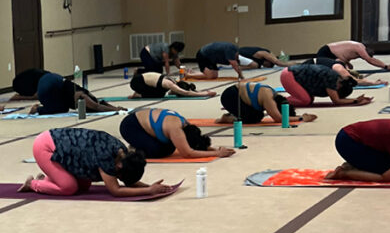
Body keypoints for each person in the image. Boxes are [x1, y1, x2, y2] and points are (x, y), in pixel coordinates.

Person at [21, 128, 172, 197]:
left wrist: (149, 186)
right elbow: (116, 190)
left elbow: (126, 180)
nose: (117, 177)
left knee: (84, 186)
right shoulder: (106, 156)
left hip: (62, 149)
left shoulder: (122, 153)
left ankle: (49, 179)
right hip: (46, 147)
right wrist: (148, 191)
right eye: (119, 175)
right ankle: (33, 184)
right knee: (69, 188)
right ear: (119, 167)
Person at [119, 108, 235, 159]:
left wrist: (214, 149)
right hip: (131, 126)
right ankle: (134, 148)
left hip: (145, 125)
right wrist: (217, 153)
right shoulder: (176, 130)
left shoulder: (185, 124)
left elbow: (196, 142)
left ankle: (141, 144)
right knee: (160, 151)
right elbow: (188, 153)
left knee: (169, 147)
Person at [218, 79, 316, 125]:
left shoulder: (274, 96)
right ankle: (227, 118)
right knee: (253, 119)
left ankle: (233, 114)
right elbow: (278, 118)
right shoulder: (269, 99)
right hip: (230, 96)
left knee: (258, 115)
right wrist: (301, 118)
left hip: (239, 95)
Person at [280, 63, 373, 108]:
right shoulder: (332, 79)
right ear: (339, 87)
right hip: (289, 75)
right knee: (305, 101)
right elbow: (336, 101)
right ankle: (278, 101)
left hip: (295, 76)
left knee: (309, 100)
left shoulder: (337, 78)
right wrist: (355, 100)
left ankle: (284, 99)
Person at [30, 71, 122, 114]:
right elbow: (97, 106)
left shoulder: (84, 93)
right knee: (61, 109)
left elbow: (100, 102)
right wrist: (116, 110)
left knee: (64, 107)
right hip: (48, 89)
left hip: (52, 81)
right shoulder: (82, 97)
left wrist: (116, 108)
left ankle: (42, 106)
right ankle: (37, 109)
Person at [128, 68, 216, 99]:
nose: (174, 93)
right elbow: (186, 92)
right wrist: (205, 93)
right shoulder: (170, 84)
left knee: (161, 93)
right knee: (159, 95)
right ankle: (138, 94)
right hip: (136, 82)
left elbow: (187, 89)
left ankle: (139, 93)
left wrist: (199, 91)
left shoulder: (174, 81)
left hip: (142, 80)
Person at [313, 40, 390, 70]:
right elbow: (370, 60)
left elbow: (344, 56)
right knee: (343, 71)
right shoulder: (359, 47)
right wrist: (386, 66)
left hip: (333, 54)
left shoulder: (358, 48)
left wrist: (347, 64)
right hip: (326, 52)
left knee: (349, 68)